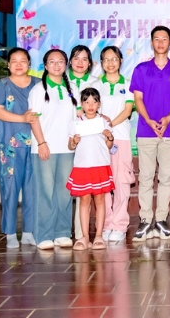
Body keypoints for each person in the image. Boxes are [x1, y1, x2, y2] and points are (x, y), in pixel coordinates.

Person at [130, 26, 170, 241]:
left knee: (165, 177)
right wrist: (148, 120)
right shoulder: (141, 69)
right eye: (157, 39)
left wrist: (169, 118)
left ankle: (161, 219)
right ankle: (146, 220)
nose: (161, 42)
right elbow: (137, 99)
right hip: (146, 131)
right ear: (152, 43)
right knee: (145, 177)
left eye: (165, 39)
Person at [0, 47, 41, 248]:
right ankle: (10, 233)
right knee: (10, 189)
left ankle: (29, 232)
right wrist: (22, 118)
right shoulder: (3, 84)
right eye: (14, 61)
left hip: (35, 145)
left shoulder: (38, 84)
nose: (19, 64)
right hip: (10, 147)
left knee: (32, 189)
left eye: (23, 60)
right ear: (8, 64)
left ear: (29, 64)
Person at [28, 48, 78, 250]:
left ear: (65, 65)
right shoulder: (38, 90)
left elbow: (77, 117)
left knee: (65, 192)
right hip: (45, 147)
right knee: (46, 192)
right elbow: (34, 119)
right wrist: (41, 143)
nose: (57, 65)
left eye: (60, 62)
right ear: (45, 66)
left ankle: (62, 232)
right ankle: (44, 235)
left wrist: (75, 138)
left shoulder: (72, 87)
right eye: (52, 62)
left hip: (66, 148)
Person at [66, 87, 115, 251]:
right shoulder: (76, 123)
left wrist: (109, 136)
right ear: (81, 104)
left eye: (94, 101)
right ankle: (85, 237)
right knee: (85, 200)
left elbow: (109, 145)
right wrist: (74, 140)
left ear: (99, 103)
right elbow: (71, 145)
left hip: (100, 165)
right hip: (82, 167)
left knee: (100, 200)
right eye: (87, 102)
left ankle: (99, 235)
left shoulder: (104, 122)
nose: (90, 105)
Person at [97, 46, 134, 243]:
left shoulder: (128, 84)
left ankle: (120, 224)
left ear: (120, 60)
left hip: (121, 138)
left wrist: (109, 124)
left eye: (114, 59)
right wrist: (103, 127)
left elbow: (128, 110)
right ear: (101, 63)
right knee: (103, 183)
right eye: (106, 60)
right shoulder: (95, 85)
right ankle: (106, 223)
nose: (110, 63)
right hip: (98, 139)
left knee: (121, 182)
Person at [67, 44, 99, 241]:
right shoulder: (63, 81)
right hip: (67, 140)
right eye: (76, 58)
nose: (80, 63)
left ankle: (81, 234)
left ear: (90, 63)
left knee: (84, 190)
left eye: (84, 59)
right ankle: (61, 231)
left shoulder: (96, 82)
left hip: (90, 144)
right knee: (67, 188)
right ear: (70, 61)